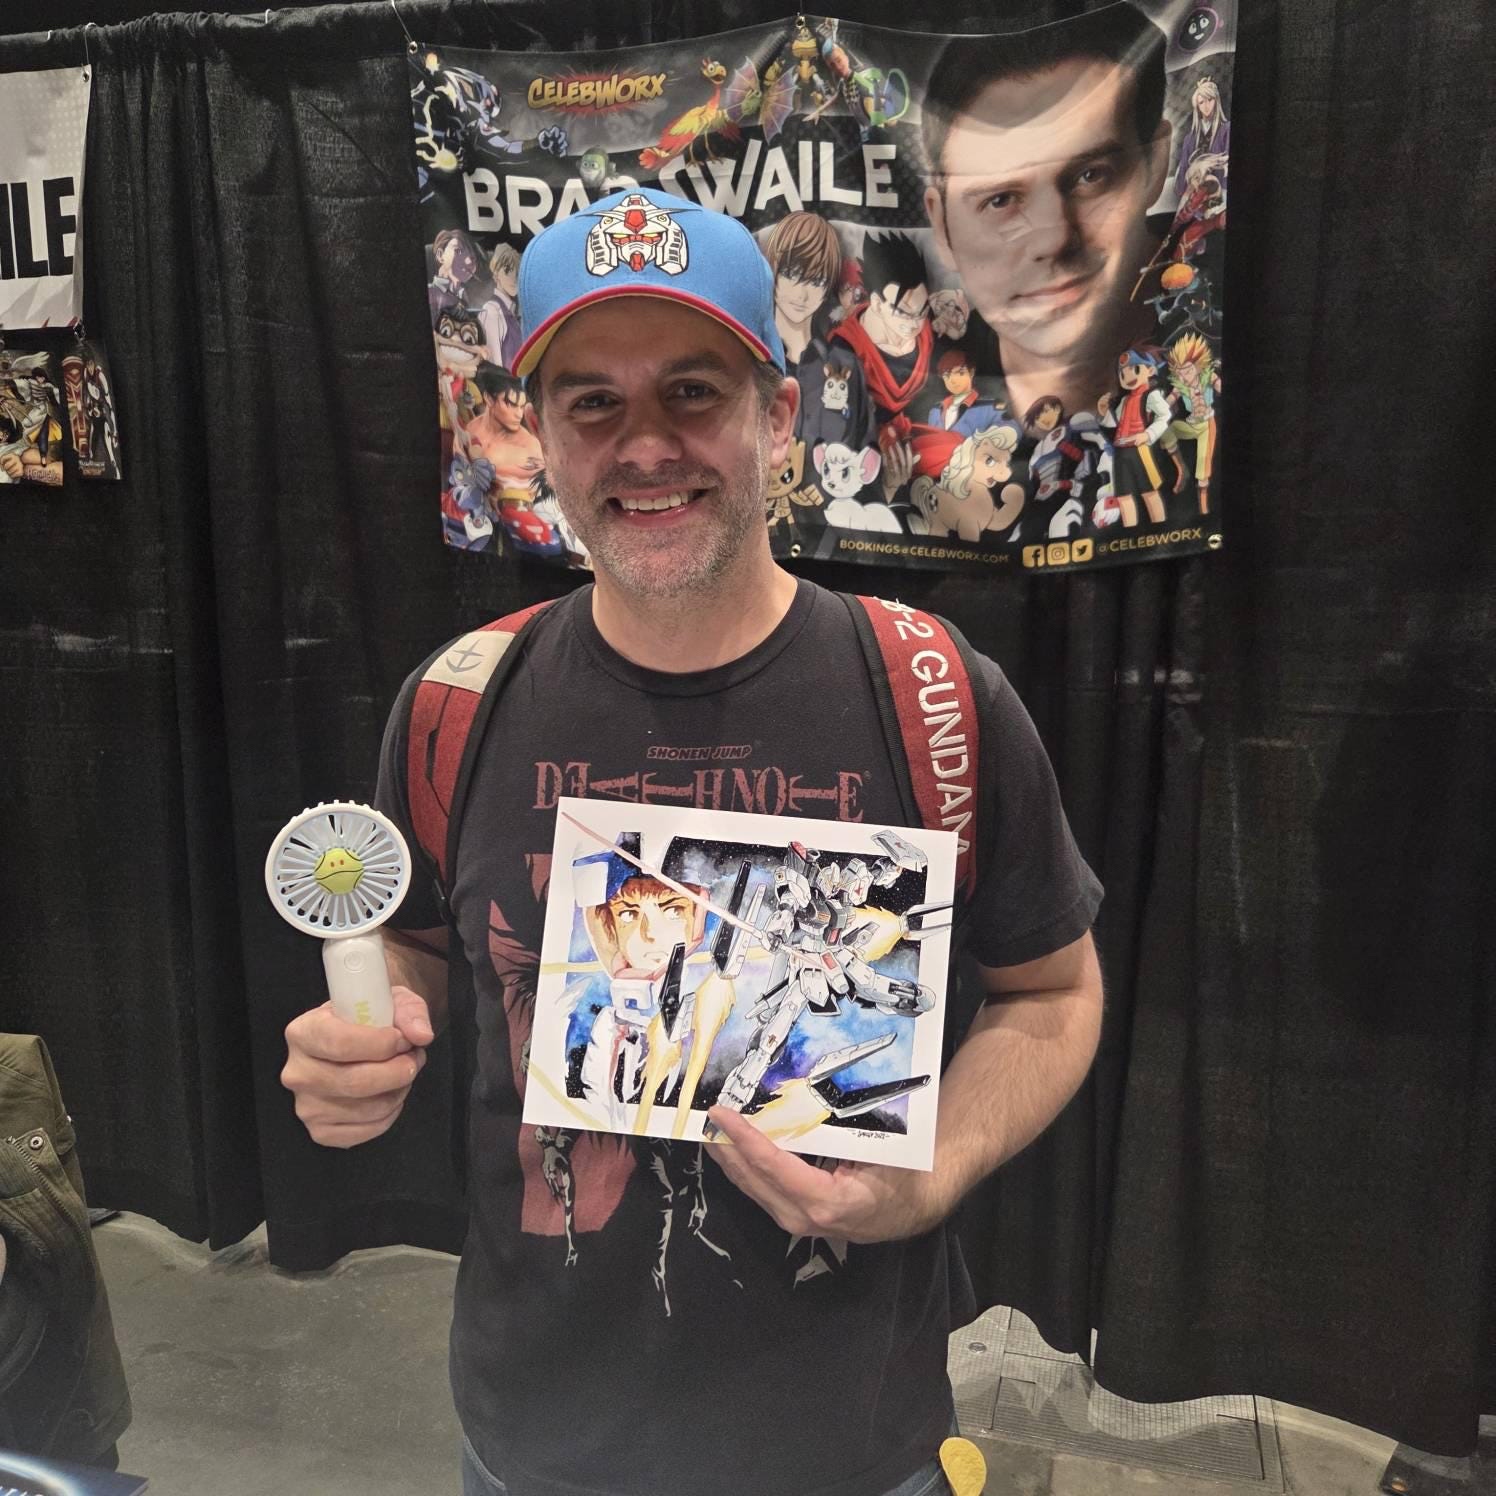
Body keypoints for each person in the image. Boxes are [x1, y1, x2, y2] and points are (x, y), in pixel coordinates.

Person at [281, 186, 1104, 1496]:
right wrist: (367, 1039)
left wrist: (931, 1172)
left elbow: (1052, 995)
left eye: (691, 392)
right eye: (591, 403)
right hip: (533, 1443)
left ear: (777, 414)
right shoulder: (455, 704)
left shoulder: (935, 695)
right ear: (537, 434)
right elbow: (425, 949)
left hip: (849, 1448)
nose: (644, 446)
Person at [921, 4, 1172, 421]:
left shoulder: (1215, 315)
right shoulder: (898, 399)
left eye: (1091, 176)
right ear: (942, 226)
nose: (1053, 238)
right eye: (999, 199)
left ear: (1157, 165)